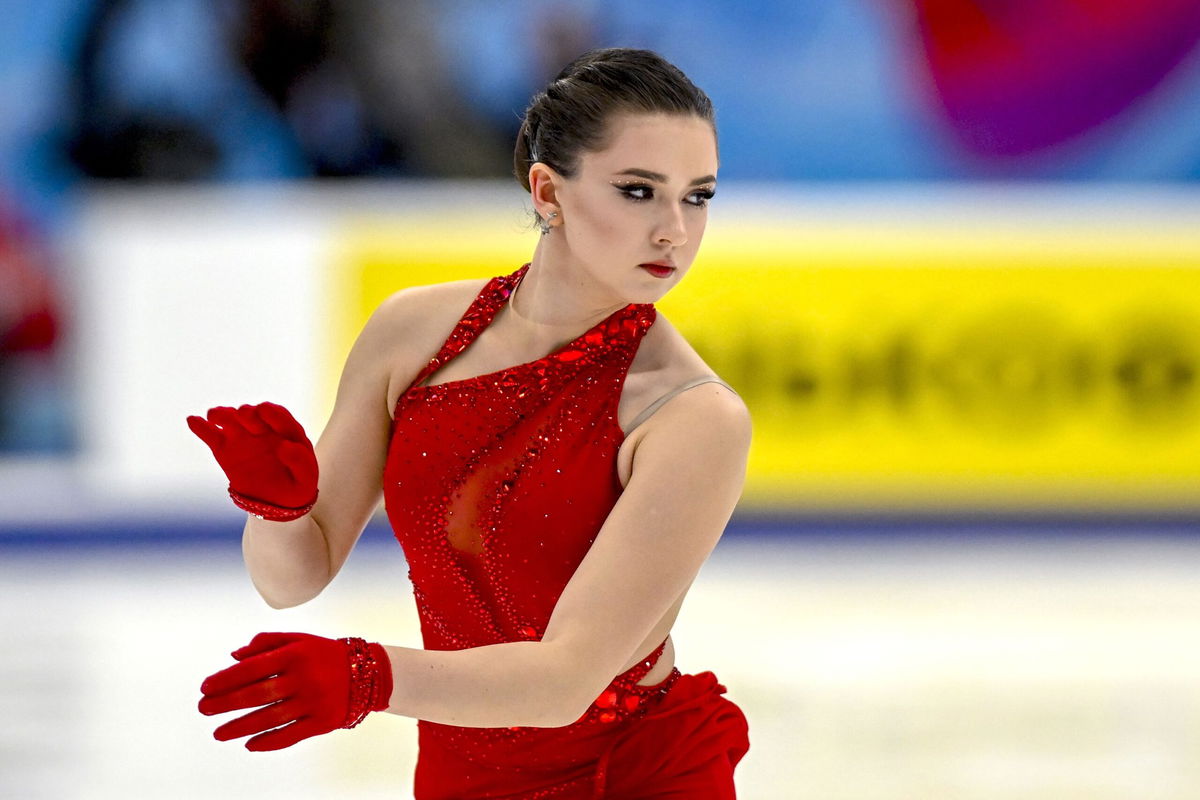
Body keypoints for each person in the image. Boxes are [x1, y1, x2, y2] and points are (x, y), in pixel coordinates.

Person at [189, 47, 752, 799]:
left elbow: (564, 680)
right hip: (459, 771)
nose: (674, 232)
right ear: (548, 191)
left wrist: (364, 676)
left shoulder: (690, 416)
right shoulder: (410, 333)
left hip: (625, 773)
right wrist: (279, 511)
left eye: (698, 196)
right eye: (639, 191)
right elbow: (292, 580)